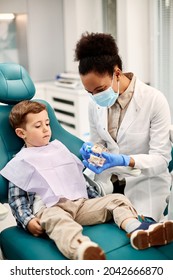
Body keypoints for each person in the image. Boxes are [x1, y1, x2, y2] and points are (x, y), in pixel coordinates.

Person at [1, 100, 173, 260]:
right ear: (21, 133)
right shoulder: (20, 162)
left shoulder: (59, 149)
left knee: (117, 200)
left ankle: (136, 229)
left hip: (81, 204)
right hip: (50, 209)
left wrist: (99, 201)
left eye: (47, 123)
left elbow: (78, 179)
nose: (46, 129)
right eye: (38, 126)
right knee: (59, 221)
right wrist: (28, 220)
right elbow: (17, 200)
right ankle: (82, 249)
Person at [74, 32, 172, 222]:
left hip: (144, 183)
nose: (95, 97)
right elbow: (98, 142)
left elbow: (161, 160)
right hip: (107, 183)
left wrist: (125, 160)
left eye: (100, 90)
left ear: (116, 73)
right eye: (89, 92)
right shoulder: (94, 102)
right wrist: (92, 151)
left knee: (138, 233)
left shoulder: (154, 100)